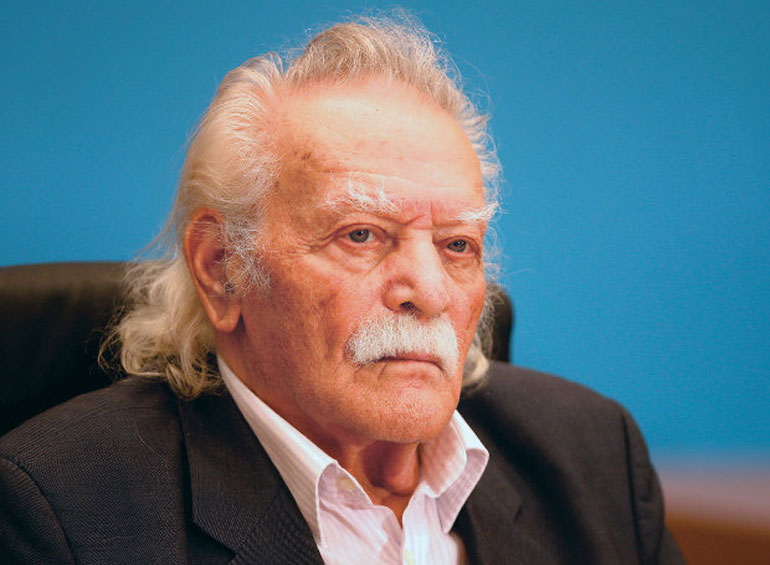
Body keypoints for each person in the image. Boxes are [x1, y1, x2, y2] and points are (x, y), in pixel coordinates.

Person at [0, 15, 683, 564]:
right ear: (222, 268)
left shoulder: (595, 460)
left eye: (457, 245)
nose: (429, 292)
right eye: (362, 234)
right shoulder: (60, 513)